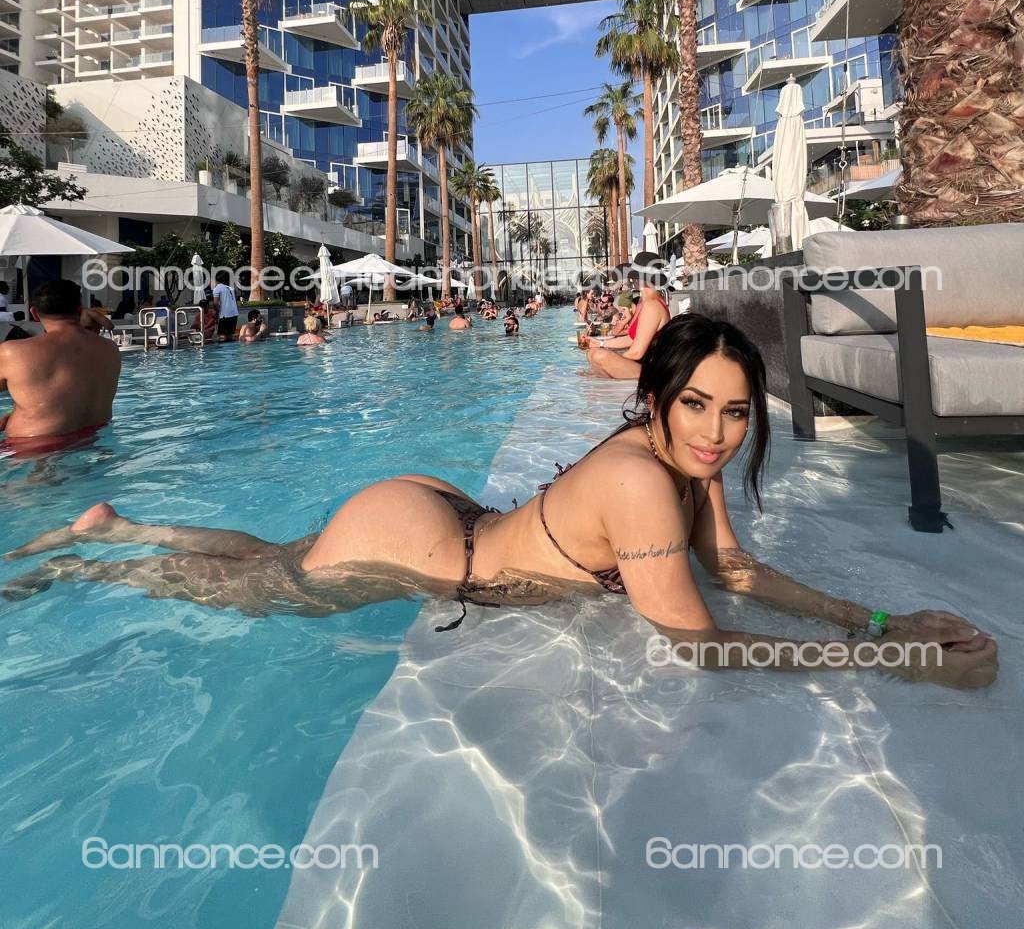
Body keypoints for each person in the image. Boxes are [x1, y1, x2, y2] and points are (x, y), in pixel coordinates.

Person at [2, 313, 997, 691]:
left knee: (275, 554)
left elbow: (732, 569)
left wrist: (877, 620)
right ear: (655, 400)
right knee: (262, 591)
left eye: (736, 412)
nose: (717, 432)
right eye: (696, 405)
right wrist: (888, 659)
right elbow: (699, 641)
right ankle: (94, 564)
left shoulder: (679, 462)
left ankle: (124, 525)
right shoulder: (642, 480)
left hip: (444, 515)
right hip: (428, 549)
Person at [0, 279, 121, 455]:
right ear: (79, 310)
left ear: (34, 313)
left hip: (32, 447)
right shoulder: (110, 349)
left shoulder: (11, 352)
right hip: (95, 439)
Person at [584, 254, 671, 381]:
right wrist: (600, 343)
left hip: (652, 370)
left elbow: (637, 352)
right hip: (643, 365)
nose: (631, 279)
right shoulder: (643, 301)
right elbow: (632, 339)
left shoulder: (652, 305)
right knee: (593, 353)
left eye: (633, 276)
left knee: (599, 356)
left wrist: (611, 361)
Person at [211, 276, 239, 342]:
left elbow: (215, 303)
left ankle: (223, 349)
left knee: (222, 336)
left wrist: (216, 313)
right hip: (234, 314)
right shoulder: (230, 288)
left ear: (215, 281)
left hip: (225, 314)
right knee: (230, 335)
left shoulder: (217, 289)